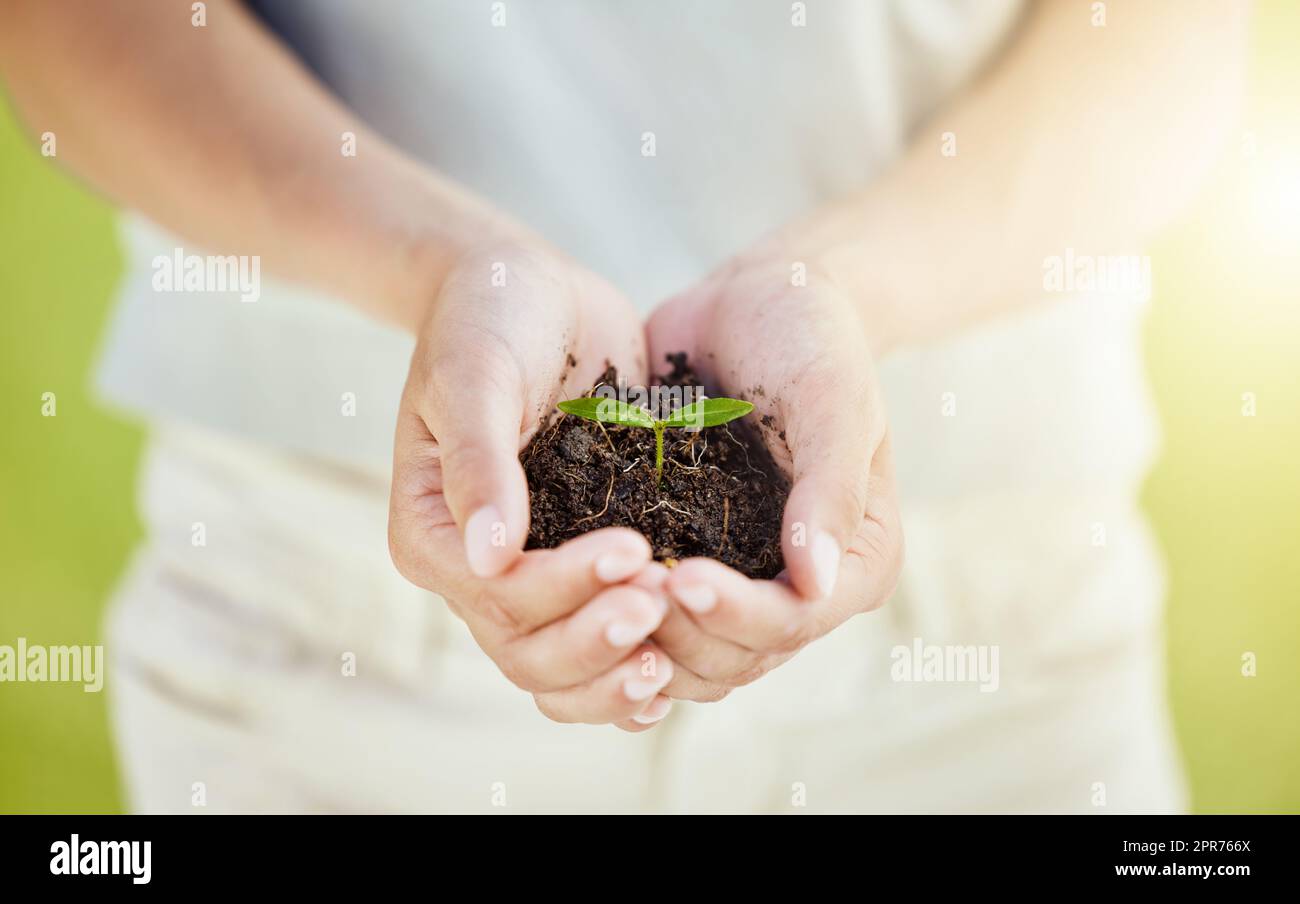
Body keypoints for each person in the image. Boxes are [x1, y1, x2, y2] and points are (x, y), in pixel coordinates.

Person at [0, 0, 1247, 812]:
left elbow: (1169, 36)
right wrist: (439, 263)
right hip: (333, 621)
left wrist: (849, 292)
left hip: (988, 630)